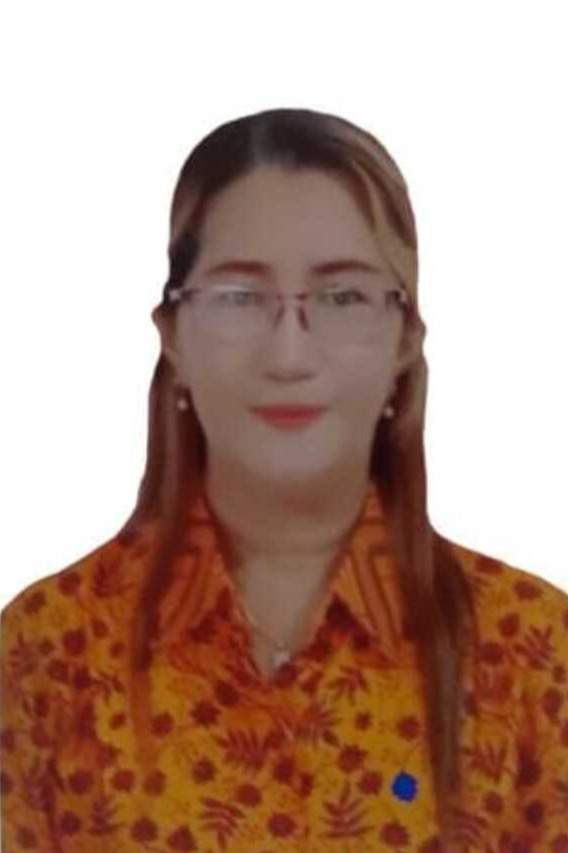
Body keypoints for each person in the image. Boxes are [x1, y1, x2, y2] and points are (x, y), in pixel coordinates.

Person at [1, 107, 567, 853]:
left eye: (342, 297)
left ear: (404, 339)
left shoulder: (532, 656)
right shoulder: (47, 654)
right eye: (239, 296)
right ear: (174, 337)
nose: (289, 354)